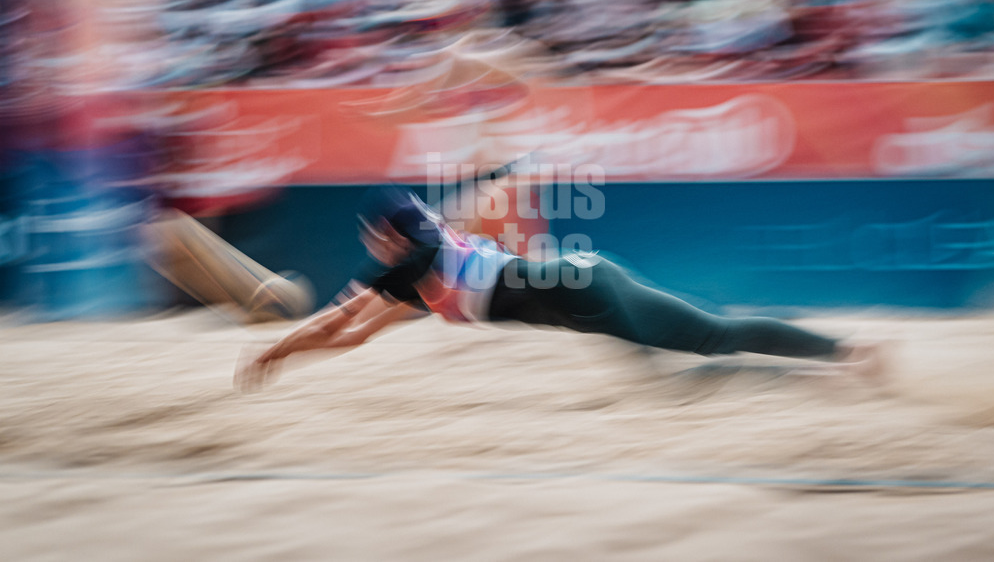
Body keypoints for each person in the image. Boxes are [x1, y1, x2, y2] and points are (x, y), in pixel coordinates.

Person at [235, 187, 884, 391]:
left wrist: (273, 351)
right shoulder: (423, 269)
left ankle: (830, 366)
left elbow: (335, 323)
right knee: (710, 337)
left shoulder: (410, 264)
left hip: (579, 293)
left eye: (371, 235)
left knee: (685, 372)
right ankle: (847, 353)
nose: (368, 245)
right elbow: (354, 333)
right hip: (586, 274)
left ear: (388, 235)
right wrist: (285, 355)